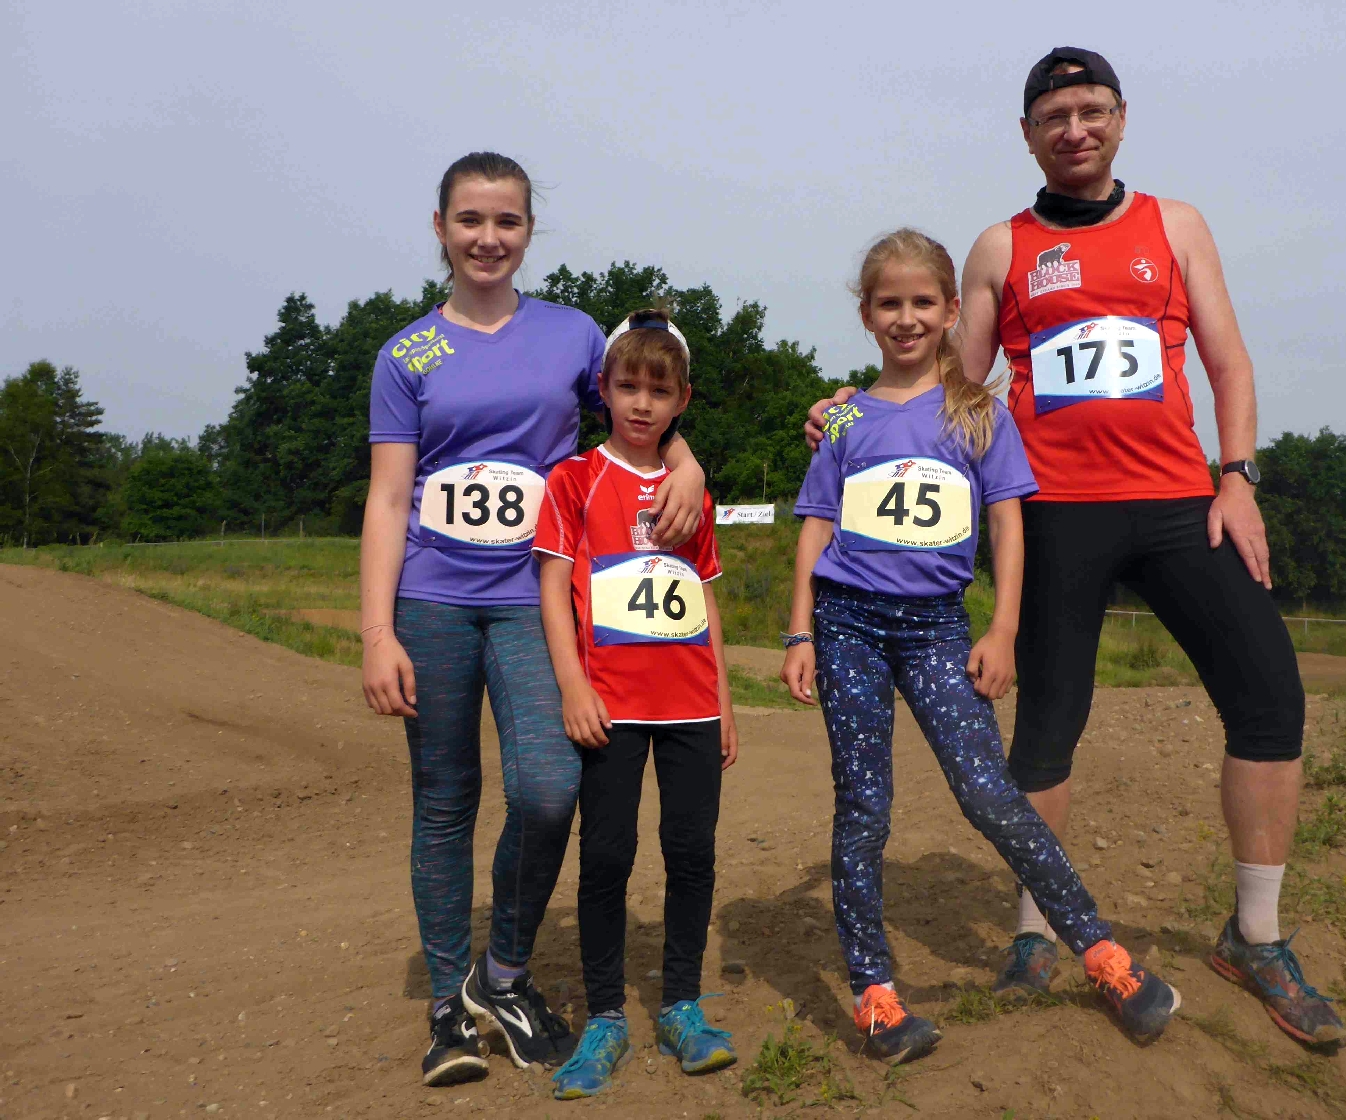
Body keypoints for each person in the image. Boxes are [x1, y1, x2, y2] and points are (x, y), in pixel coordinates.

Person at [806, 50, 1346, 1050]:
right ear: (1027, 135)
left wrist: (1237, 477)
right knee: (1047, 725)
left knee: (1270, 696)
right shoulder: (999, 248)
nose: (1075, 129)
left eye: (1091, 110)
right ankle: (1033, 934)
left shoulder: (1177, 226)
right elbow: (949, 382)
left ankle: (1257, 937)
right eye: (1054, 115)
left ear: (1121, 118)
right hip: (1058, 513)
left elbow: (1227, 360)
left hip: (1181, 502)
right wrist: (850, 407)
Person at [782, 229, 1180, 1066]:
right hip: (847, 625)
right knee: (864, 806)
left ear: (951, 312)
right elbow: (816, 525)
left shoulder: (979, 415)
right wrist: (799, 631)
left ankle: (1102, 954)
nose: (906, 318)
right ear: (866, 314)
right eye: (889, 303)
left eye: (922, 302)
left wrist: (1002, 628)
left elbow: (1007, 524)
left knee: (989, 794)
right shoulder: (844, 416)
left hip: (936, 627)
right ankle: (875, 996)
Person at [360, 154, 708, 1087]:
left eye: (507, 221)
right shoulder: (406, 355)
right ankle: (449, 1004)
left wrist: (688, 464)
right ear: (440, 227)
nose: (488, 238)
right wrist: (377, 634)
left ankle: (502, 974)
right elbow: (388, 498)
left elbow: (642, 406)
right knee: (444, 801)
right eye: (470, 220)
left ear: (527, 231)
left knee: (551, 790)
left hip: (534, 596)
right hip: (431, 599)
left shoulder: (572, 334)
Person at [534, 312, 740, 1101]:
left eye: (659, 390)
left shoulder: (694, 493)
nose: (642, 403)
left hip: (689, 704)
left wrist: (724, 700)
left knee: (691, 853)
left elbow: (704, 597)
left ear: (682, 399)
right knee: (607, 857)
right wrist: (572, 685)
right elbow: (554, 588)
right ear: (604, 390)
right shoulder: (574, 480)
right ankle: (606, 1017)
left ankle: (682, 1004)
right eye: (628, 387)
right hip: (610, 706)